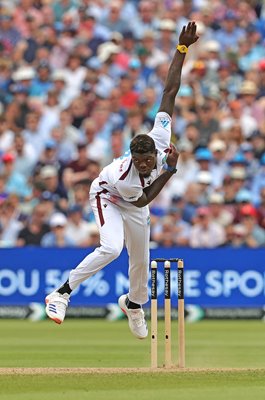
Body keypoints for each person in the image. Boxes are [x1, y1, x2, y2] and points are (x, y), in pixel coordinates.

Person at [45, 22, 199, 339]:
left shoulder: (160, 137)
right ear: (132, 157)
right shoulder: (127, 176)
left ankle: (132, 304)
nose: (144, 165)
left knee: (141, 261)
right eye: (140, 161)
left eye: (148, 162)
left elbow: (170, 91)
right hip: (109, 196)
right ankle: (61, 293)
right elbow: (143, 199)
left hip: (136, 202)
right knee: (113, 248)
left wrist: (181, 49)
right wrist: (169, 170)